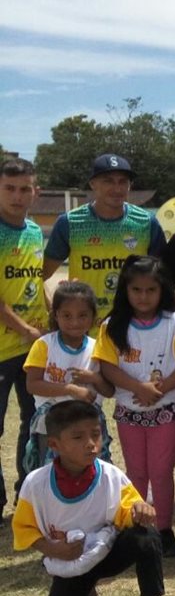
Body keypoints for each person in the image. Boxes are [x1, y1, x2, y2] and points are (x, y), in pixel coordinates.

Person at [13, 400, 175, 596]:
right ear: (54, 445)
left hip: (107, 553)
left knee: (146, 535)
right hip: (69, 562)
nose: (91, 444)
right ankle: (87, 595)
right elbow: (24, 529)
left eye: (95, 434)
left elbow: (129, 509)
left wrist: (140, 509)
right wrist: (52, 549)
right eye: (78, 437)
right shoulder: (35, 485)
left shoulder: (110, 476)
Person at [94, 255, 175, 557]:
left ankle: (164, 529)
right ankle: (140, 525)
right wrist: (138, 387)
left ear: (163, 290)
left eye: (150, 290)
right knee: (136, 472)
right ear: (126, 290)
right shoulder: (113, 325)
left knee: (161, 471)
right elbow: (107, 366)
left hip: (165, 411)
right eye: (136, 290)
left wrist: (160, 388)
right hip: (129, 411)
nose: (143, 297)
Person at [42, 154, 167, 320]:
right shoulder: (70, 222)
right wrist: (54, 311)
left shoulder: (146, 222)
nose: (117, 189)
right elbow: (40, 275)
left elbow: (163, 279)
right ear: (93, 184)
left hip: (134, 325)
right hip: (85, 330)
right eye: (108, 181)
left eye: (123, 181)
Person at [23, 282, 114, 473]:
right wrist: (70, 389)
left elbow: (109, 391)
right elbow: (32, 385)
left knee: (88, 475)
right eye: (67, 315)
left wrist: (95, 379)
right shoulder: (44, 345)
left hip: (88, 428)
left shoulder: (98, 348)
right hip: (52, 426)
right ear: (55, 315)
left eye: (82, 315)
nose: (75, 322)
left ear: (93, 317)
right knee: (51, 476)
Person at [0, 159, 50, 504]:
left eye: (24, 189)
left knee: (35, 425)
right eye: (9, 188)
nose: (18, 196)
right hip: (4, 350)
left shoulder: (34, 231)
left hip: (33, 348)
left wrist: (51, 320)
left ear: (36, 192)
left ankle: (26, 495)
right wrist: (26, 329)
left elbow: (35, 281)